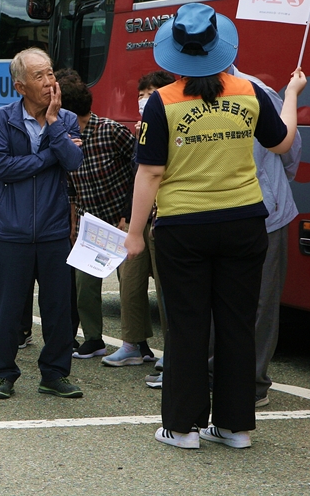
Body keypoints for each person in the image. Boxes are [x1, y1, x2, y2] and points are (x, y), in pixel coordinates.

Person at [125, 2, 305, 450]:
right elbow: (282, 142)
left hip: (184, 227)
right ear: (218, 47)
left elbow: (150, 172)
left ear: (175, 53)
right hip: (245, 222)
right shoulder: (249, 91)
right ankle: (234, 426)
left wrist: (134, 233)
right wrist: (293, 95)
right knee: (237, 324)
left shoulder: (163, 102)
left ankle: (182, 427)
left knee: (187, 325)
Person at [0, 48, 84, 400]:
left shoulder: (66, 118)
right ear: (20, 86)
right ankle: (3, 374)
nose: (49, 81)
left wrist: (54, 124)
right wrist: (49, 155)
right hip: (10, 230)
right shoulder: (2, 119)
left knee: (58, 308)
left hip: (54, 229)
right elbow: (3, 168)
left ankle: (54, 374)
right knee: (8, 309)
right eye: (39, 76)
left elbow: (73, 161)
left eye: (50, 73)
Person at [226, 66, 301, 409]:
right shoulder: (182, 92)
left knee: (256, 300)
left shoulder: (255, 90)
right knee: (233, 300)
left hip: (260, 213)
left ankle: (247, 381)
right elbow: (288, 149)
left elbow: (287, 146)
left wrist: (274, 184)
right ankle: (224, 375)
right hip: (229, 213)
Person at [54, 71, 140, 364]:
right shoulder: (64, 139)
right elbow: (70, 183)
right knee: (84, 287)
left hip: (121, 221)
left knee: (130, 287)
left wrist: (129, 212)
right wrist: (73, 221)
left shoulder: (111, 131)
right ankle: (93, 339)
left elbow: (139, 168)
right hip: (89, 223)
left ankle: (137, 342)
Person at [123, 70, 176, 390]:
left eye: (152, 93)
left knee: (170, 291)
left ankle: (175, 355)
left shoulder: (171, 125)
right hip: (142, 218)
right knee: (131, 281)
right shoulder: (140, 130)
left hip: (166, 217)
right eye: (141, 94)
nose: (145, 99)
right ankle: (132, 345)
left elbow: (155, 173)